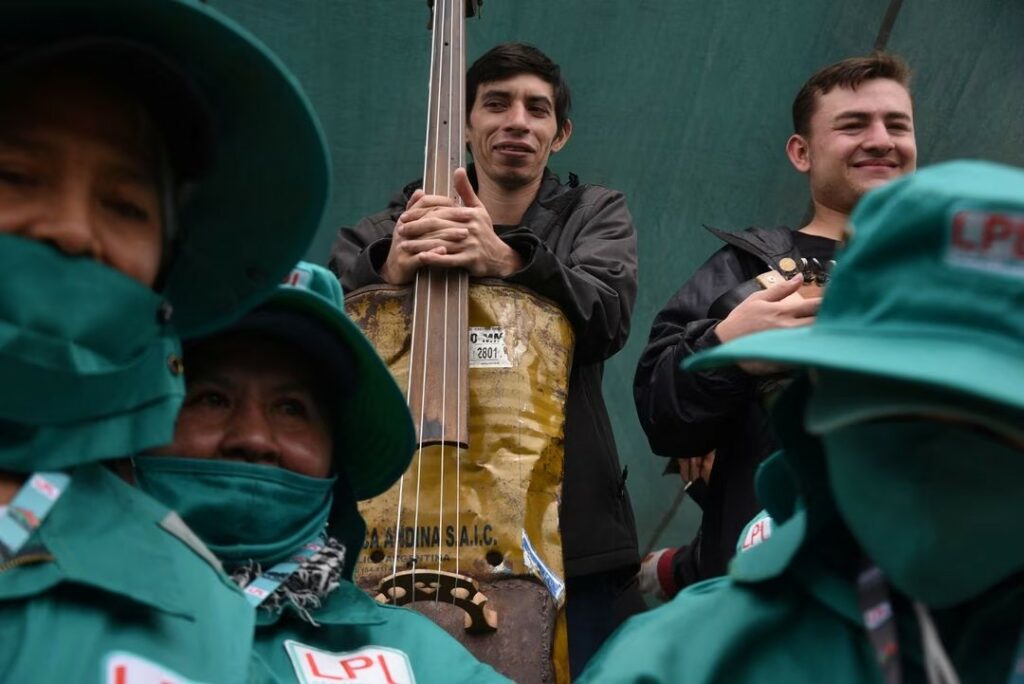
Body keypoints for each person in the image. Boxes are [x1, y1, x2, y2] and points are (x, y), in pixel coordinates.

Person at [580, 159, 1024, 683]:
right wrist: (724, 348)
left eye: (998, 419)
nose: (954, 460)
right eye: (902, 405)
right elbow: (666, 412)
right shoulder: (682, 663)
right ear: (823, 410)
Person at [0, 1, 328, 680]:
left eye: (125, 205)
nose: (72, 230)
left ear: (165, 271)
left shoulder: (198, 609)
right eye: (15, 175)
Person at [329, 42, 644, 675]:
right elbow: (321, 331)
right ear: (463, 122)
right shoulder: (385, 227)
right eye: (496, 104)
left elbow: (609, 316)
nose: (517, 122)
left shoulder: (594, 213)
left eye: (538, 109)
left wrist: (510, 260)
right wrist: (382, 268)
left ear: (560, 134)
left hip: (569, 536)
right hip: (395, 540)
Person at [133, 261, 510, 683]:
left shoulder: (414, 657)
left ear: (335, 452)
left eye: (291, 408)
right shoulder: (54, 607)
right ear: (135, 421)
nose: (254, 437)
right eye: (211, 399)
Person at [633, 51, 916, 597]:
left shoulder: (960, 270)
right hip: (778, 589)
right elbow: (660, 414)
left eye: (896, 125)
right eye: (853, 125)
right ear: (801, 152)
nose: (881, 139)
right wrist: (725, 348)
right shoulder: (746, 268)